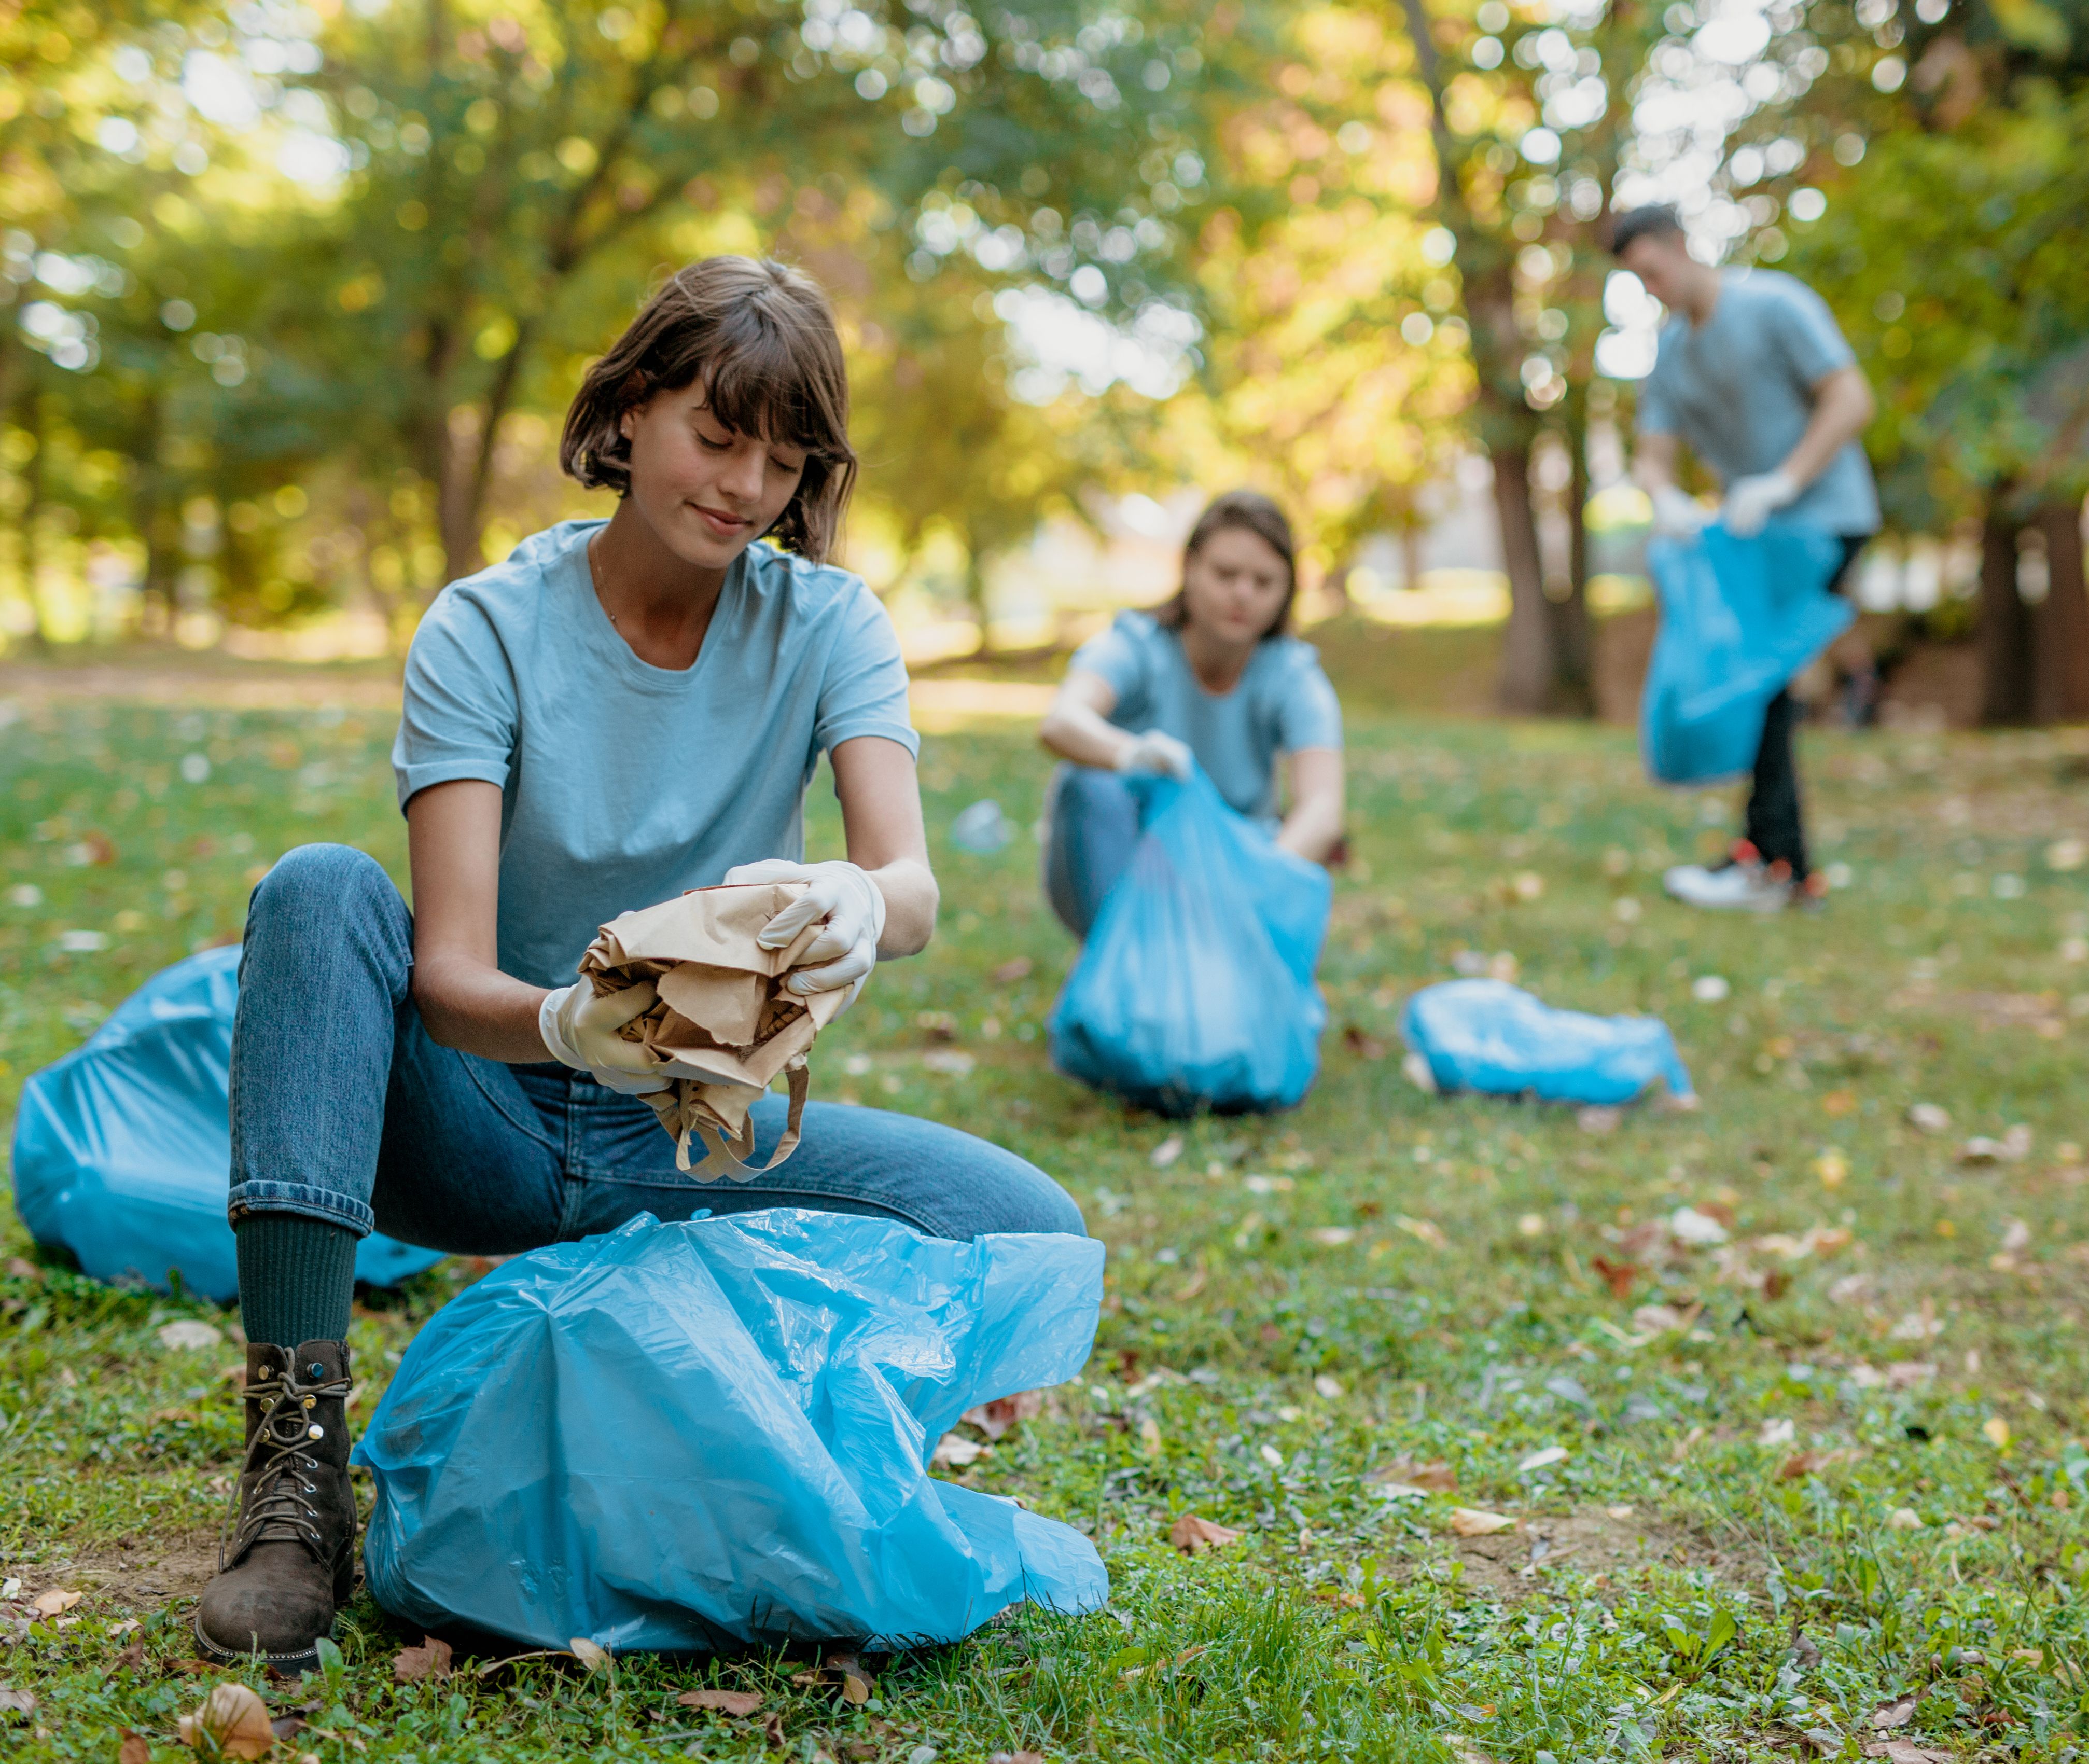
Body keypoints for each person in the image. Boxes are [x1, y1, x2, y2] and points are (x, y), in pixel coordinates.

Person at [195, 257, 1083, 1670]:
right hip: (479, 1118)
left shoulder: (826, 624)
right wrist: (566, 1023)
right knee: (318, 891)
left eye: (784, 461)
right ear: (626, 416)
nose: (744, 486)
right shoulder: (486, 628)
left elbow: (909, 885)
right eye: (715, 436)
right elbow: (448, 975)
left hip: (692, 1140)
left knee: (1025, 1223)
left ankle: (776, 1408)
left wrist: (862, 897)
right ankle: (294, 1482)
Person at [1612, 202, 1881, 912]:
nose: (1651, 288)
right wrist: (1664, 498)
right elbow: (1651, 455)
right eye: (1636, 281)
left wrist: (1786, 478)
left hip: (1825, 517)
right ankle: (1770, 859)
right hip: (1752, 535)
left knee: (1760, 678)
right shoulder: (1671, 353)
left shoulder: (1773, 305)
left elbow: (1851, 398)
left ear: (1678, 246)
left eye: (1651, 270)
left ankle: (1775, 865)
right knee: (1759, 683)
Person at [1035, 491, 1345, 937]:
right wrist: (1133, 754)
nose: (1243, 593)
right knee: (1089, 786)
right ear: (1190, 568)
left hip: (1233, 872)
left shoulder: (1294, 676)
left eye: (1264, 582)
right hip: (1128, 864)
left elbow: (1323, 808)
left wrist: (1257, 880)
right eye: (1225, 574)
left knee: (1302, 856)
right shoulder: (1136, 645)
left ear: (1286, 591)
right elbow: (1062, 721)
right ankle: (1120, 959)